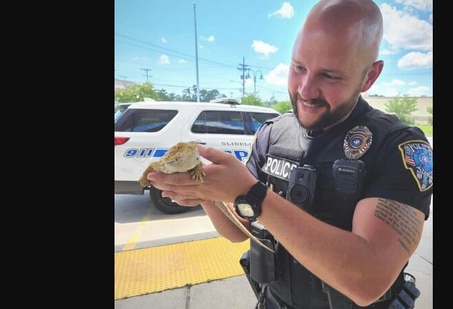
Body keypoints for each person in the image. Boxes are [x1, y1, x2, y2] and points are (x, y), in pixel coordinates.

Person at [146, 0, 433, 308]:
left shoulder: (397, 146)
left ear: (369, 77)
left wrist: (253, 195)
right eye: (298, 67)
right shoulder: (272, 134)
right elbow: (237, 231)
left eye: (329, 76)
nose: (305, 90)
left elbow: (367, 282)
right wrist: (206, 194)